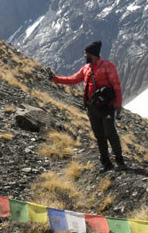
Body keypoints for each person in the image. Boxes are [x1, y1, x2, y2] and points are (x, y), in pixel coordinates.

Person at [47, 40, 125, 171]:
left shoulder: (108, 66)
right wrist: (56, 79)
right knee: (99, 135)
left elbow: (116, 86)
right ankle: (106, 163)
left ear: (92, 54)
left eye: (86, 53)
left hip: (107, 108)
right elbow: (73, 80)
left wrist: (118, 106)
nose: (84, 56)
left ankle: (120, 160)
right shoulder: (86, 69)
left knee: (110, 133)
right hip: (92, 108)